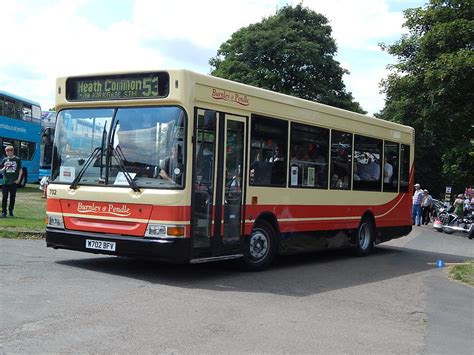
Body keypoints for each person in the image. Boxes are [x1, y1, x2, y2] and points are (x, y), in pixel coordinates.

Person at [1, 145, 23, 218]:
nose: (8, 153)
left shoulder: (17, 159)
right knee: (4, 197)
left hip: (14, 181)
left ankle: (11, 211)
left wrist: (19, 179)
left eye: (9, 151)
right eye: (6, 151)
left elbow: (20, 170)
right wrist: (4, 167)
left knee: (12, 197)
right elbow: (1, 171)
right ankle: (4, 212)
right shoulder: (4, 160)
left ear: (12, 151)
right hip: (5, 181)